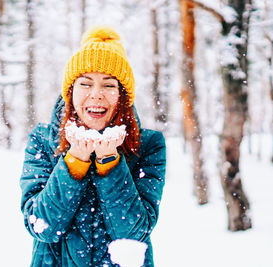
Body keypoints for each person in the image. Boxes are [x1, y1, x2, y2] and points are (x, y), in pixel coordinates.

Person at [19, 26, 166, 266]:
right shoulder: (42, 140)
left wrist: (109, 162)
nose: (96, 94)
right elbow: (42, 226)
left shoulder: (148, 145)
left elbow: (133, 234)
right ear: (71, 91)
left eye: (109, 85)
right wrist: (75, 160)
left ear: (122, 97)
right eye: (85, 84)